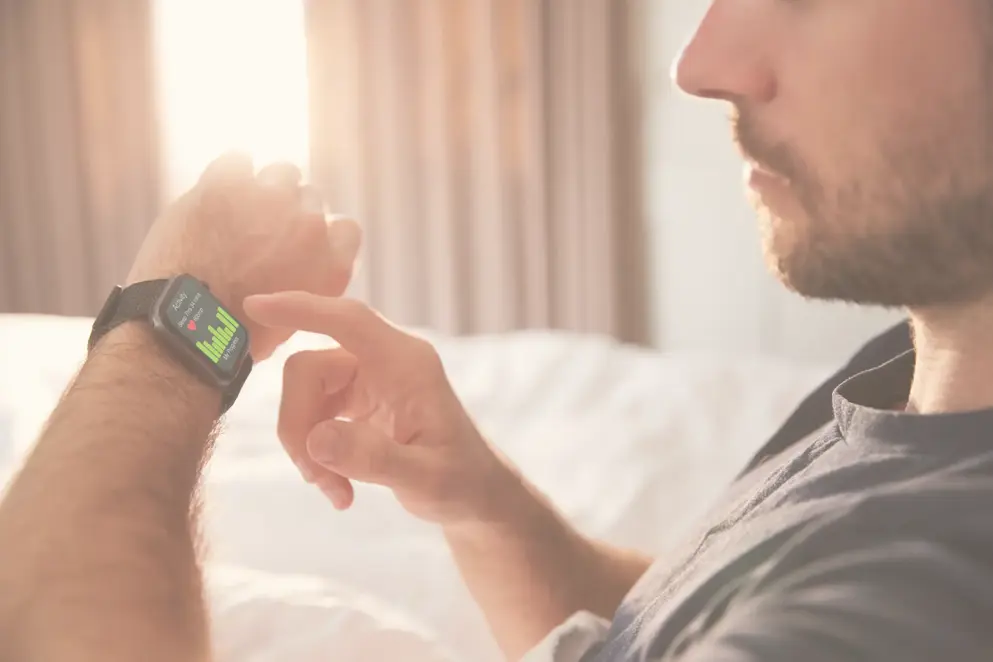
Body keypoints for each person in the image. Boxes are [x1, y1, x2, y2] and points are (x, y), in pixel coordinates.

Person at [3, 0, 993, 660]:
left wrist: (175, 318)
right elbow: (694, 614)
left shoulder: (920, 603)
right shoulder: (920, 369)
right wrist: (482, 500)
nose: (701, 63)